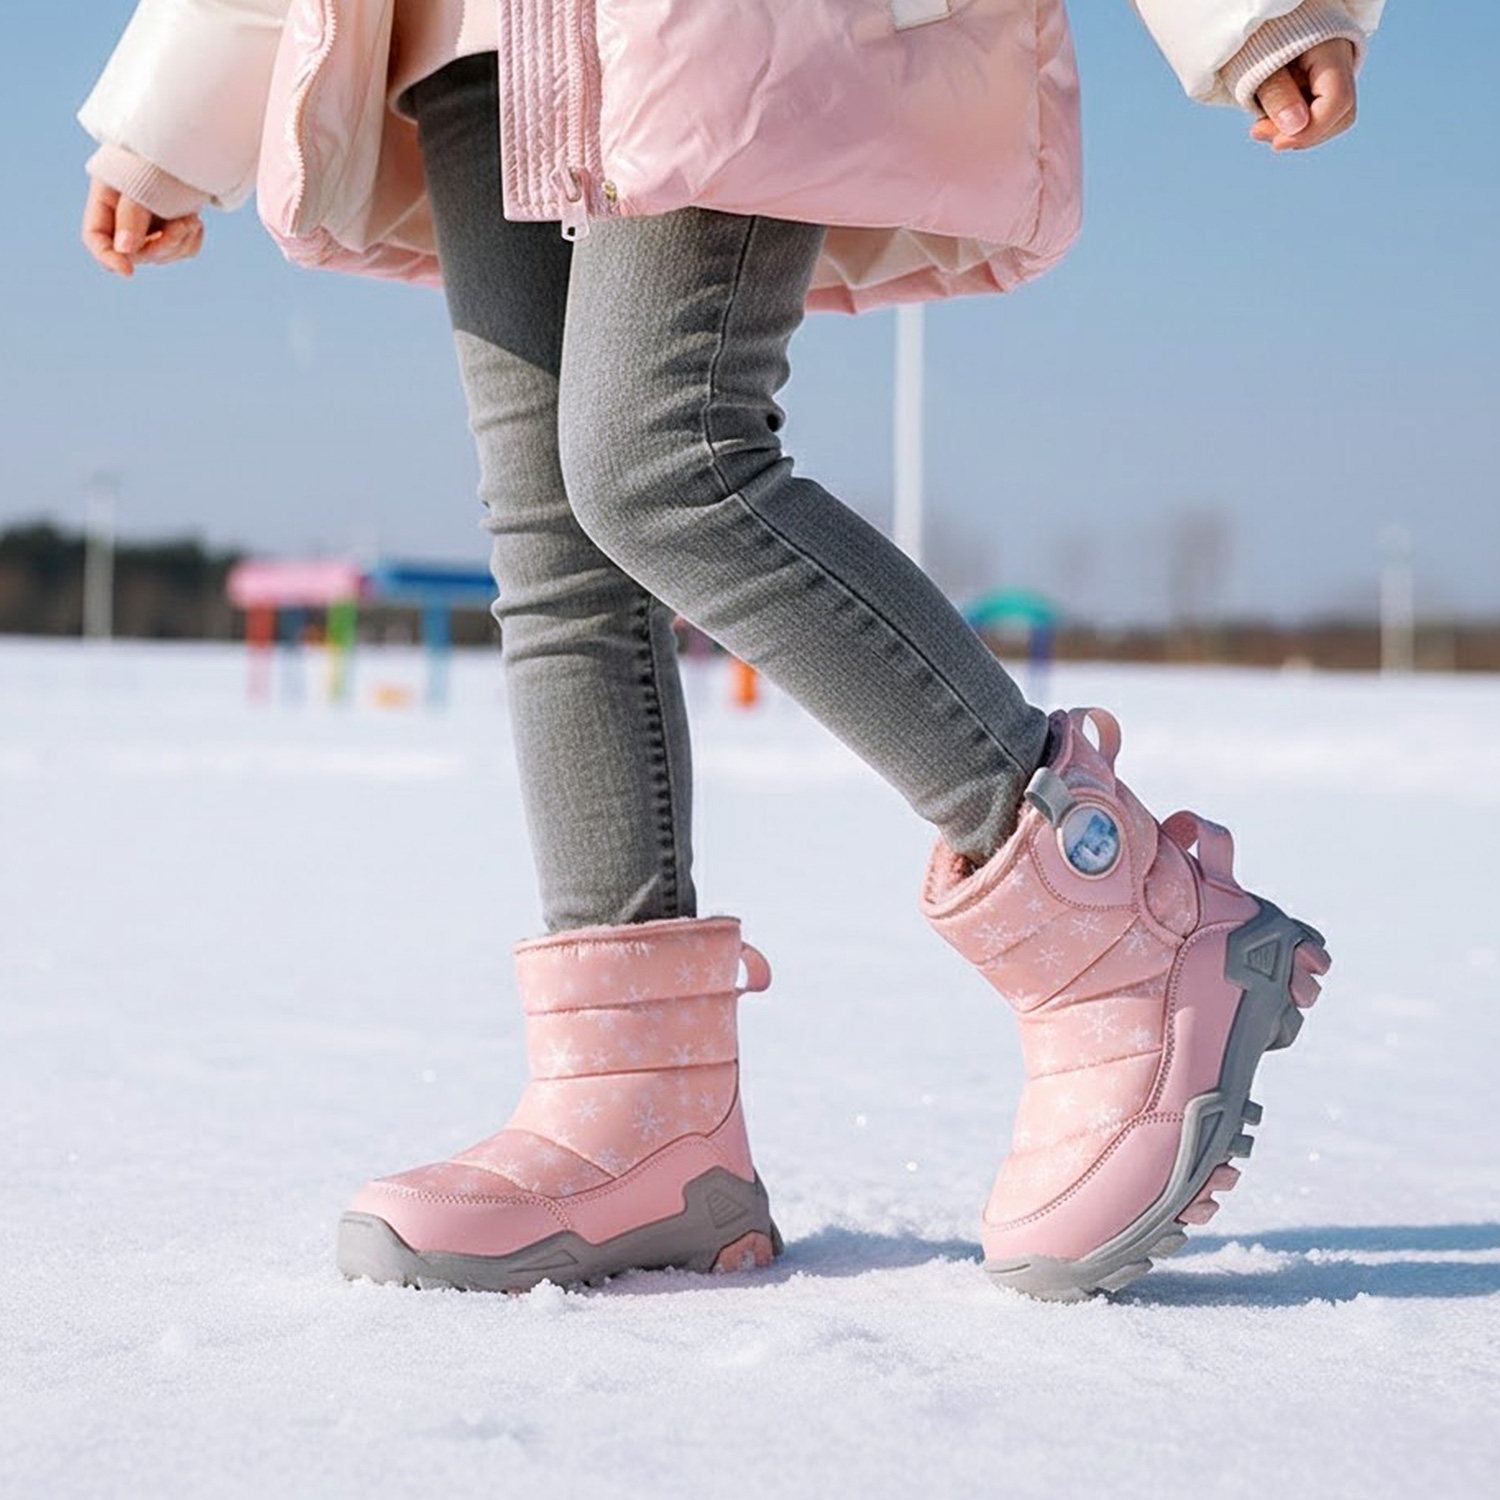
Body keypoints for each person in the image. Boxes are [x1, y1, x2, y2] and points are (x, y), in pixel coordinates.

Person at [78, 1, 1376, 1301]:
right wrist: (167, 117)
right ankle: (639, 1117)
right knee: (556, 545)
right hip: (460, 27)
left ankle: (1124, 927)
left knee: (665, 461)